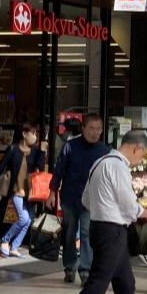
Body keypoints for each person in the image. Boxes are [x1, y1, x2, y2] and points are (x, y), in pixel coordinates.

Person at [50, 130, 147, 294]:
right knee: (97, 285)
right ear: (136, 148)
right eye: (142, 156)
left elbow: (85, 199)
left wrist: (105, 207)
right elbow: (129, 204)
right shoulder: (119, 166)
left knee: (125, 283)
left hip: (102, 228)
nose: (140, 161)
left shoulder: (99, 163)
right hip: (112, 231)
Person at [50, 113, 111, 284]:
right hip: (69, 197)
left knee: (86, 233)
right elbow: (59, 170)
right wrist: (51, 193)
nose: (95, 132)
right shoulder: (70, 146)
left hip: (91, 201)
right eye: (91, 128)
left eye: (98, 129)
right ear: (83, 128)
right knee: (69, 233)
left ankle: (85, 271)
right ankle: (70, 268)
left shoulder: (105, 151)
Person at [0, 122, 37, 257]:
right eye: (33, 134)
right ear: (24, 134)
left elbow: (40, 167)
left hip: (29, 191)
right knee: (24, 218)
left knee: (29, 220)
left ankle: (15, 246)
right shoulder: (13, 149)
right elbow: (2, 167)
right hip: (16, 189)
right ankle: (5, 240)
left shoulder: (34, 152)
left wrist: (42, 151)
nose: (35, 137)